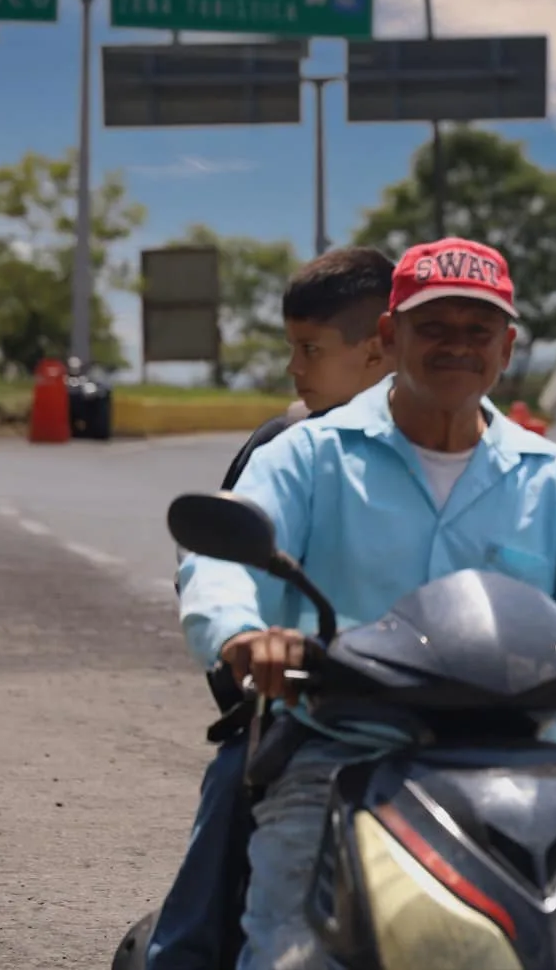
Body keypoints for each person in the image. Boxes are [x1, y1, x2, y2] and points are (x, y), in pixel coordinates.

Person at [176, 236, 556, 970]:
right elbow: (220, 560)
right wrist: (243, 633)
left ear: (508, 346)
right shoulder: (312, 455)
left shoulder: (548, 475)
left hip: (527, 768)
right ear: (390, 335)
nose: (457, 346)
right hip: (342, 755)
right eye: (434, 327)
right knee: (293, 953)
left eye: (478, 330)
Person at [147, 246, 395, 970]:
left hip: (441, 706)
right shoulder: (287, 444)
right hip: (308, 708)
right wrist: (246, 646)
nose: (295, 367)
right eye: (295, 348)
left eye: (309, 349)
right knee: (238, 785)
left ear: (380, 346)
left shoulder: (463, 447)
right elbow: (217, 559)